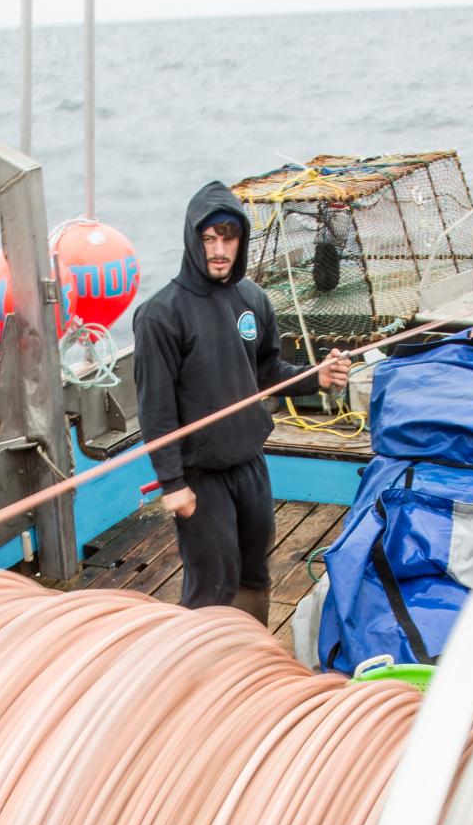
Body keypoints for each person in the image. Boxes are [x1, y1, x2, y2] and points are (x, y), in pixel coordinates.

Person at [134, 181, 350, 624]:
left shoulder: (252, 299)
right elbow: (155, 409)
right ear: (193, 241)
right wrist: (172, 483)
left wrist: (317, 377)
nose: (219, 250)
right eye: (208, 238)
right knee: (213, 586)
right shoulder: (161, 314)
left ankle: (252, 651)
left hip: (250, 464)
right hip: (200, 476)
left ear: (241, 240)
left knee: (254, 573)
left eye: (228, 238)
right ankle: (203, 661)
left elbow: (266, 372)